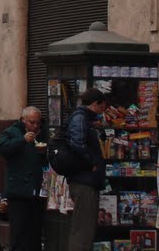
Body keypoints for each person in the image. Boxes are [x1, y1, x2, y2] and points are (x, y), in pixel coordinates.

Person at [0, 106, 46, 251]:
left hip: (37, 191)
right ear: (23, 120)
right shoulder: (11, 132)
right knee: (18, 234)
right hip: (18, 190)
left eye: (38, 123)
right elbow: (3, 149)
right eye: (32, 122)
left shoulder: (42, 134)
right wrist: (22, 140)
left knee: (35, 234)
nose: (35, 126)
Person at [65, 88, 108, 251]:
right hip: (84, 181)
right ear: (96, 104)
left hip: (85, 180)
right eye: (101, 108)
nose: (101, 112)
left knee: (84, 227)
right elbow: (78, 144)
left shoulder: (83, 119)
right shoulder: (81, 118)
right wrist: (92, 164)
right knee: (83, 228)